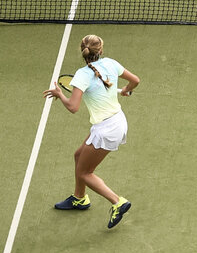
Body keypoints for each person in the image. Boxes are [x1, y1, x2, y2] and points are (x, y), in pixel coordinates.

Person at [44, 35, 140, 230]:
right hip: (116, 121)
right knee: (78, 155)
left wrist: (60, 94)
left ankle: (117, 202)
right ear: (101, 50)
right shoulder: (111, 64)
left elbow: (73, 107)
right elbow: (135, 81)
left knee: (85, 172)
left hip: (106, 129)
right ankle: (79, 198)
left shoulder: (82, 75)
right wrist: (125, 90)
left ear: (83, 52)